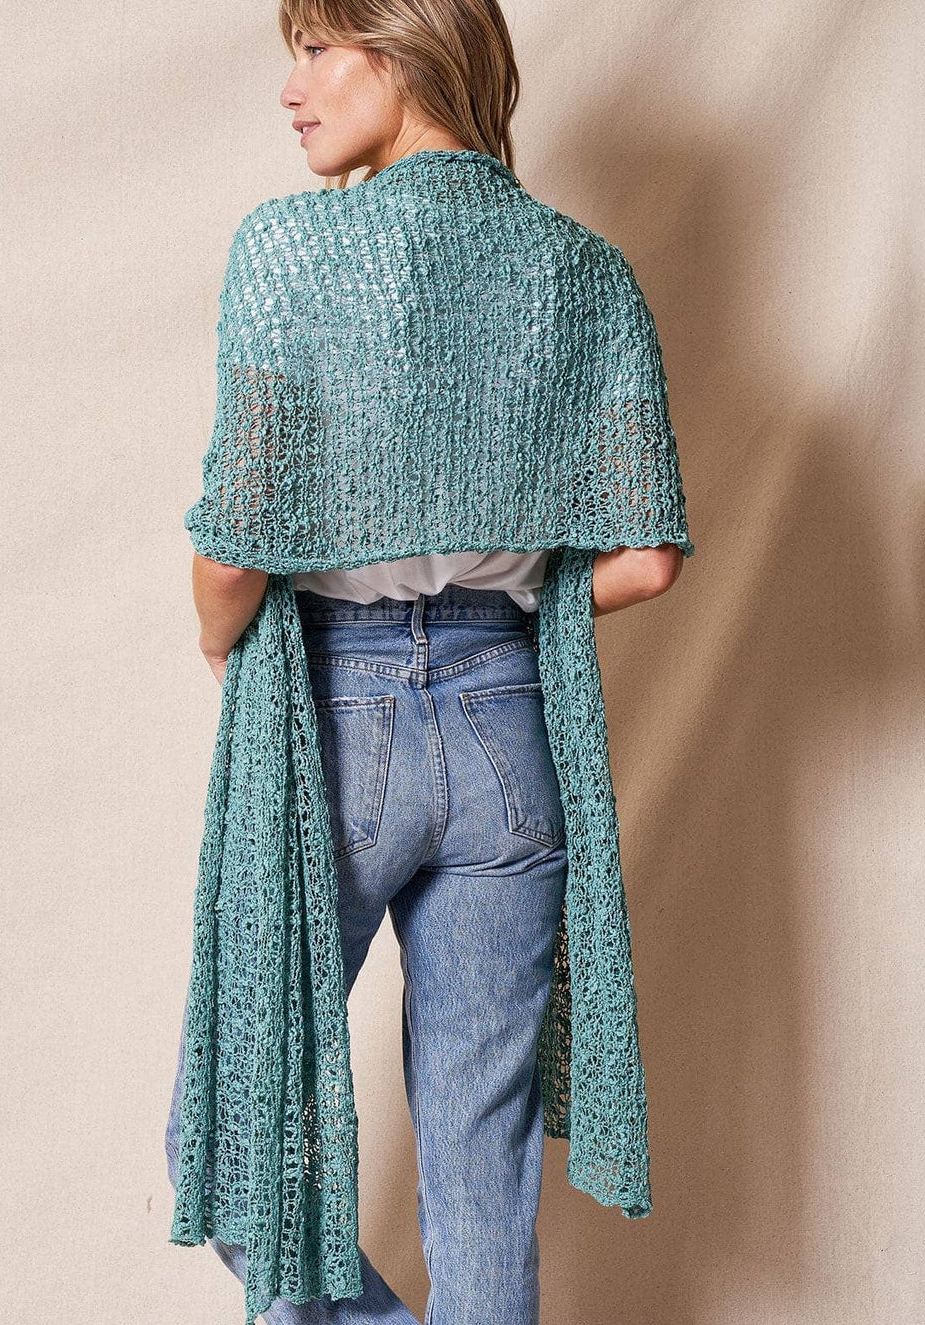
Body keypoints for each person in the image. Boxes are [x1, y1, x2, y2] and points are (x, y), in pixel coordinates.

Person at [164, 3, 693, 1323]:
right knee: (481, 1176)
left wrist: (217, 634)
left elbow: (237, 546)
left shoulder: (291, 252)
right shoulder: (583, 272)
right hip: (510, 722)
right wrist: (513, 600)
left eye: (316, 49)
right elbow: (645, 558)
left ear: (402, 51)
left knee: (230, 1150)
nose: (291, 89)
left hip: (338, 720)